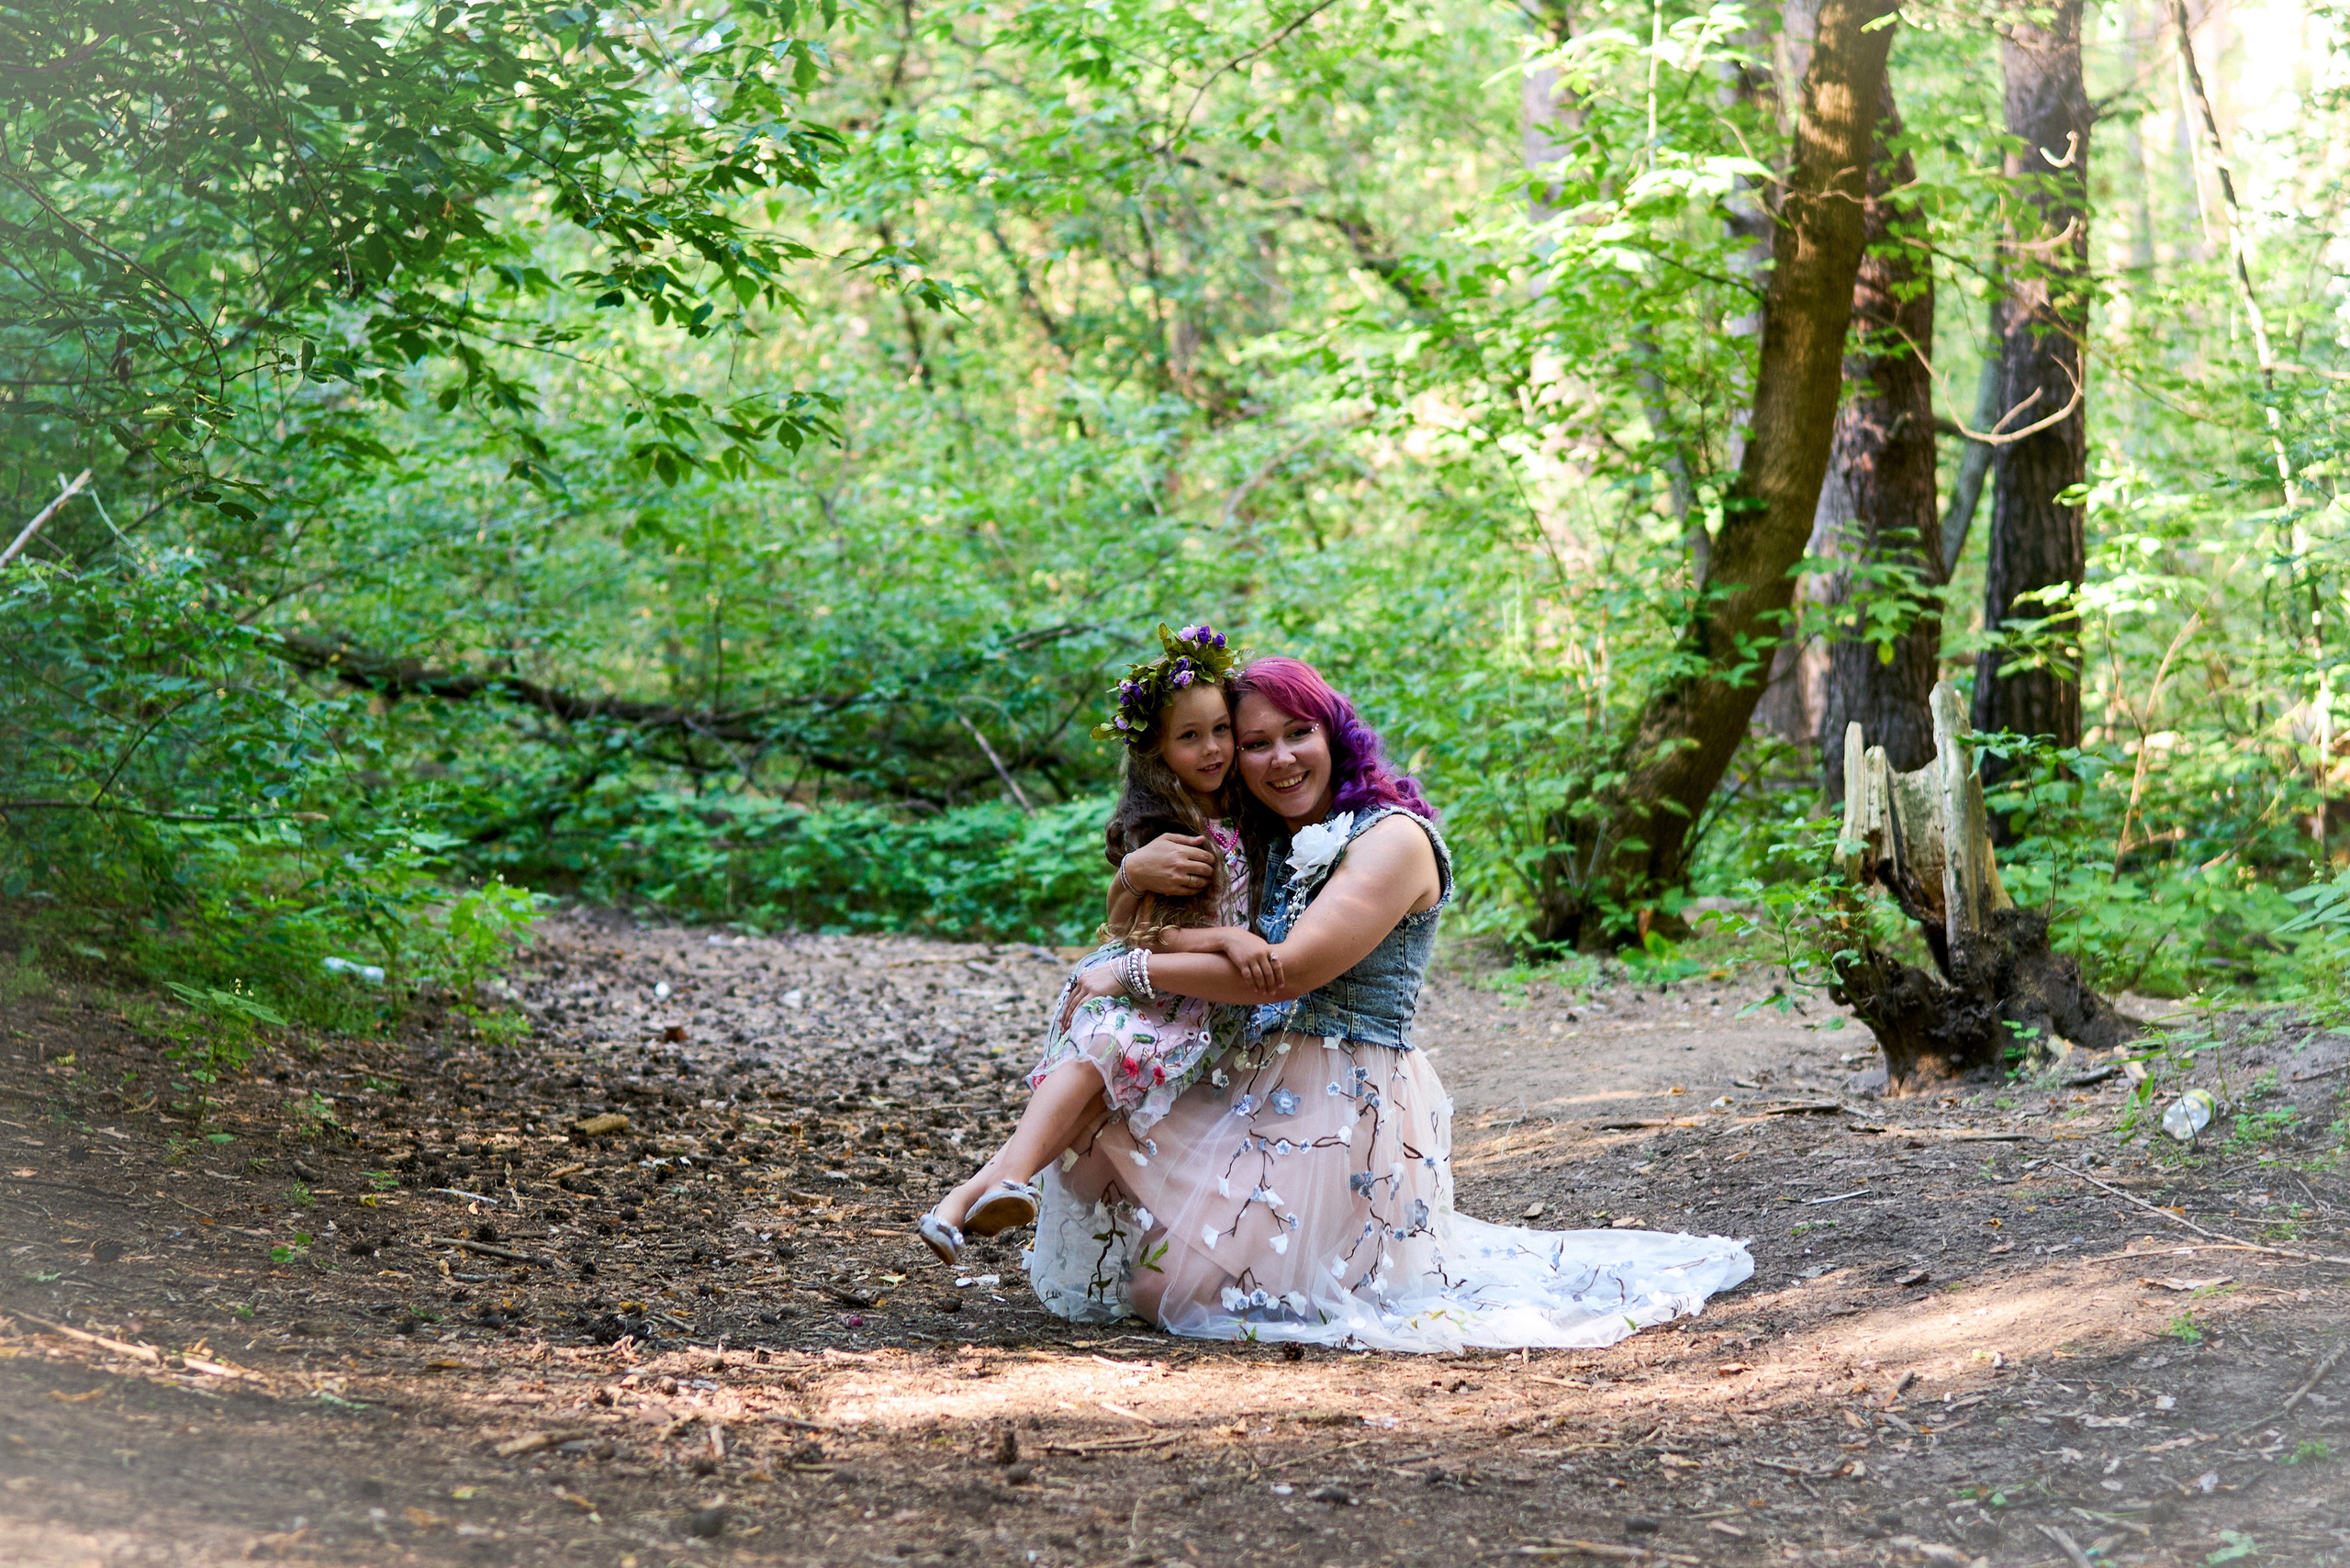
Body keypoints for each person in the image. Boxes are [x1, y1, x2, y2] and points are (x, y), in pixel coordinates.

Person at [1029, 655, 1753, 1350]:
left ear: (1334, 734)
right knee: (1097, 1112)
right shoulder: (1272, 842)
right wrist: (1130, 871)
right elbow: (1146, 925)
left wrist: (1134, 971)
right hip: (1250, 1081)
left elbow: (1283, 973)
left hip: (1345, 1104)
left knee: (1168, 1297)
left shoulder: (1393, 839)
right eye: (1255, 743)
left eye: (1298, 734)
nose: (1280, 758)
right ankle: (999, 1189)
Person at [918, 624, 1280, 1265]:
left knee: (1081, 1114)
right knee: (1099, 1051)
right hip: (1148, 993)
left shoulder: (1248, 813)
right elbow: (1147, 931)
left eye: (1220, 729)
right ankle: (1007, 1182)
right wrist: (1224, 933)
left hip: (1197, 1004)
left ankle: (958, 1205)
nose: (1213, 748)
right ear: (1157, 751)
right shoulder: (1167, 830)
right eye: (1189, 737)